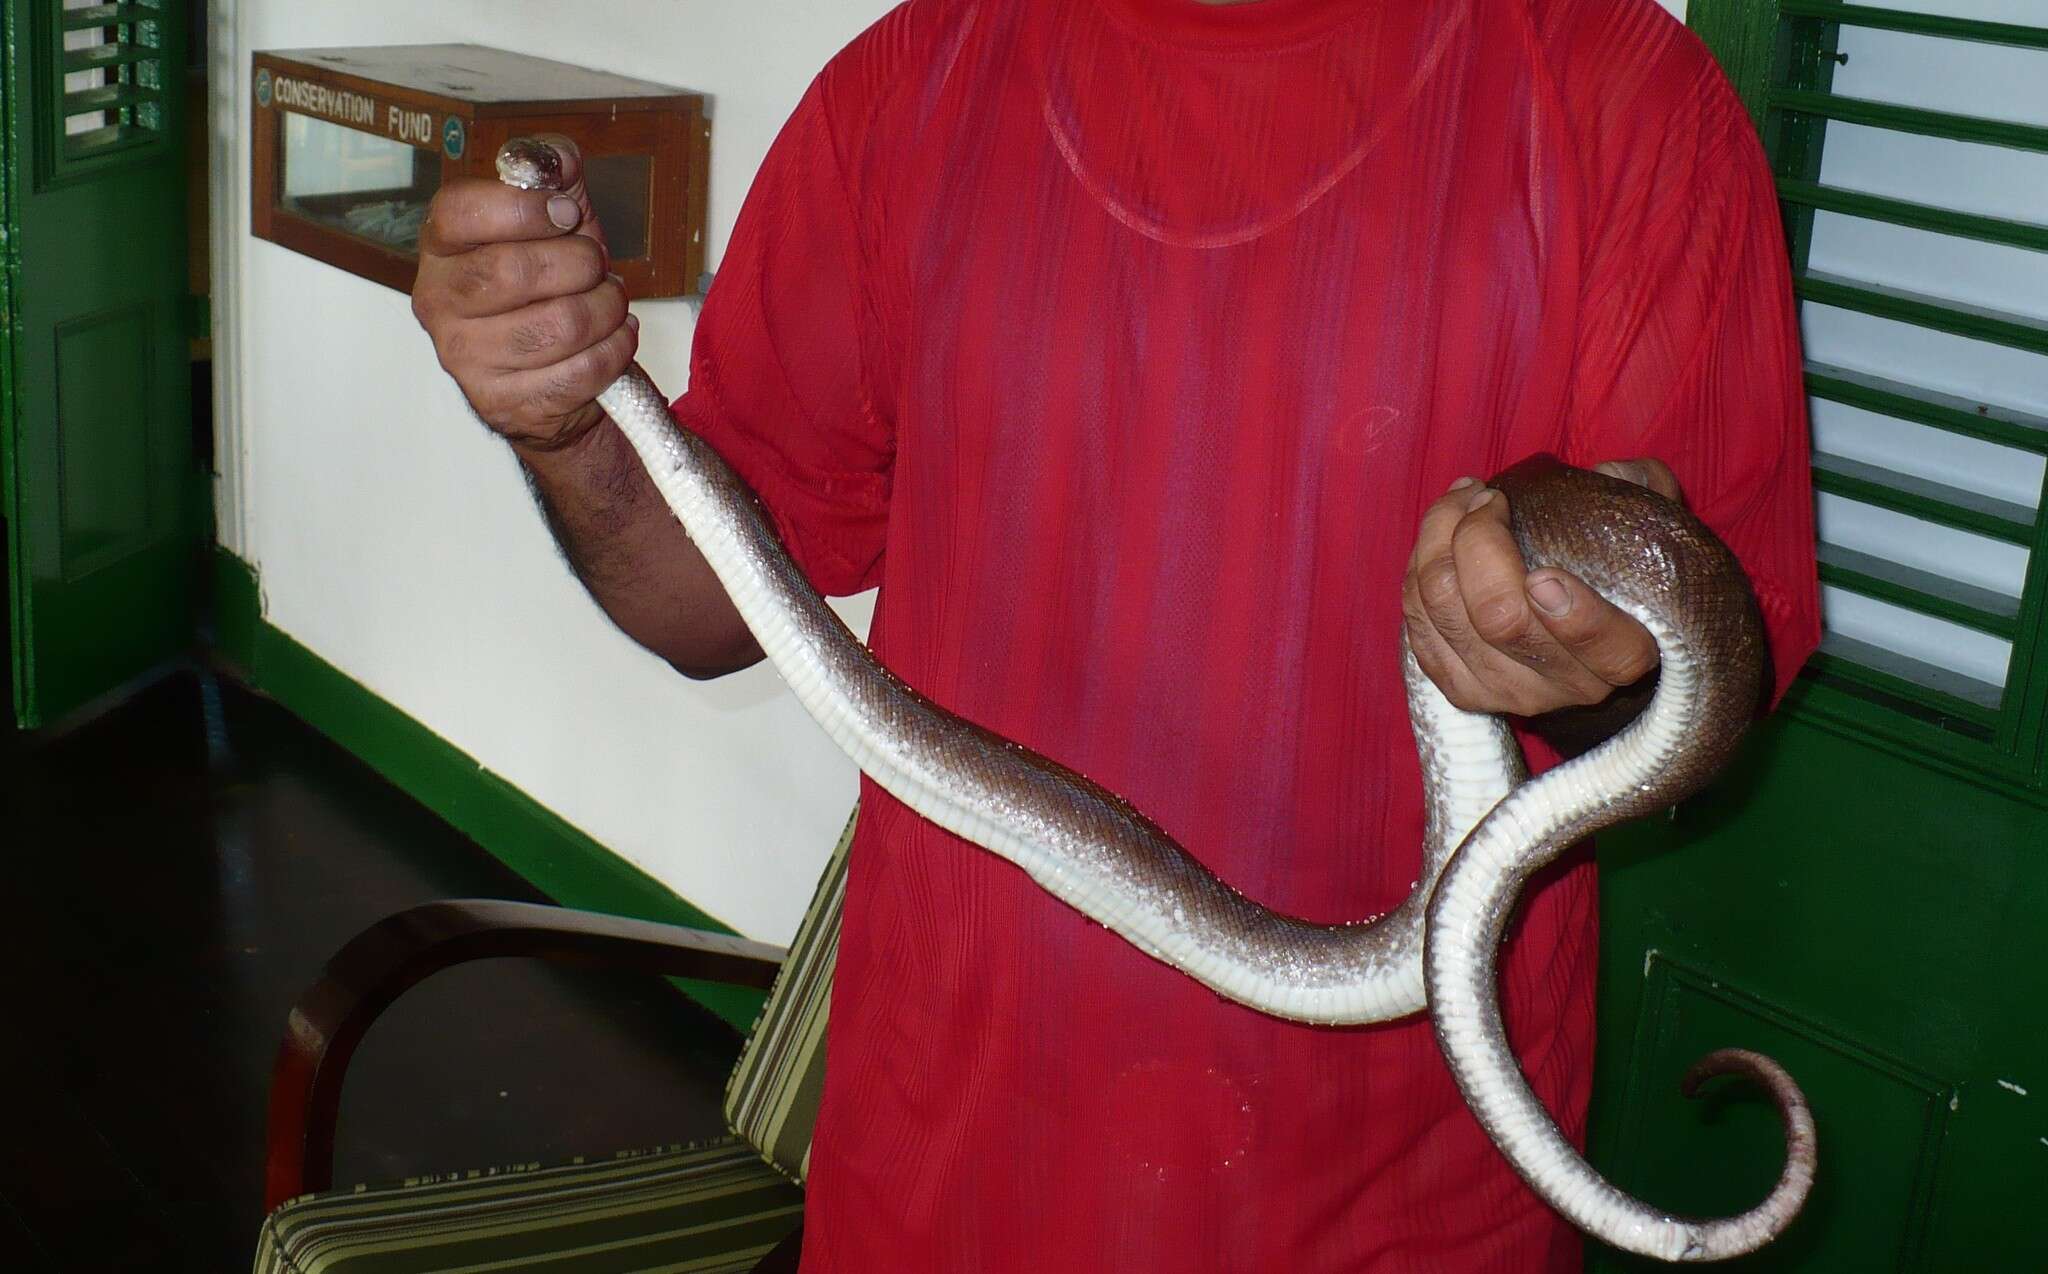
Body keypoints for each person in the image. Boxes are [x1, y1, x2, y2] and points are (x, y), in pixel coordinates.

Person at [411, 0, 1820, 1267]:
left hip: (1402, 1211)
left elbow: (1699, 701)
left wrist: (1580, 663)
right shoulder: (907, 87)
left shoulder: (1625, 97)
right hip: (945, 1185)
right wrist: (566, 425)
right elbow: (709, 609)